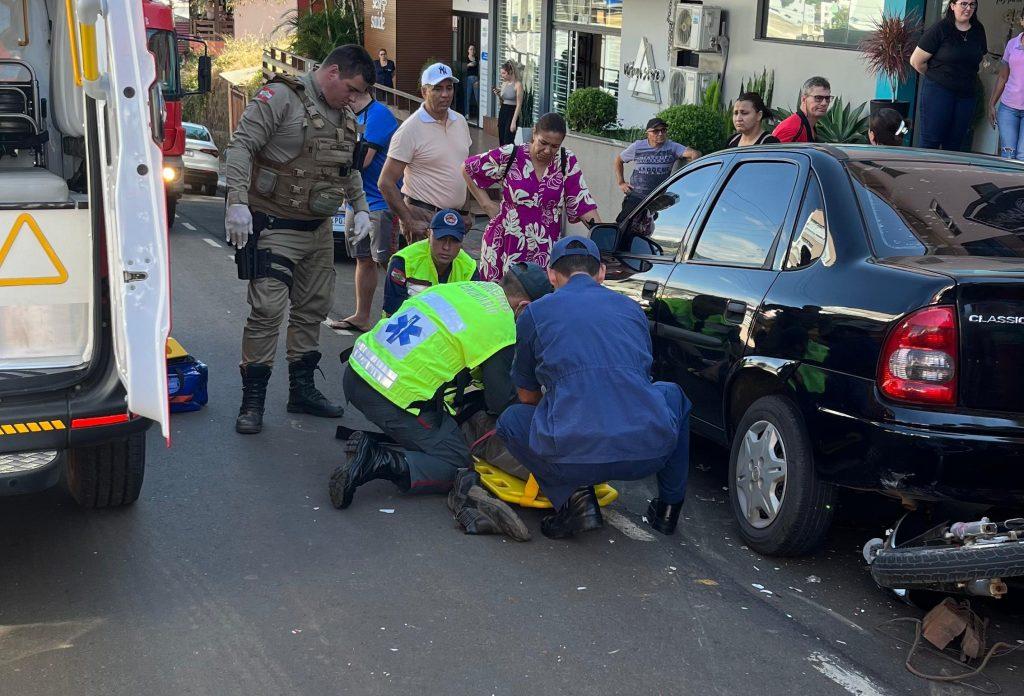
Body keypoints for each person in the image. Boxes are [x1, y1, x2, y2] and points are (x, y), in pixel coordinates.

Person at [329, 265, 555, 533]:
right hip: (390, 394)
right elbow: (500, 402)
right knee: (457, 463)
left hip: (359, 369)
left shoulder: (470, 289)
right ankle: (375, 460)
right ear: (525, 307)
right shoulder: (502, 326)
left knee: (445, 426)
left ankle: (395, 442)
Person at [496, 237, 692, 540]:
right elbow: (637, 380)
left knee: (511, 420)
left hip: (572, 457)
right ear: (601, 272)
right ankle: (669, 509)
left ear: (551, 275)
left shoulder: (535, 314)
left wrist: (566, 409)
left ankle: (576, 500)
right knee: (673, 394)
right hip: (647, 452)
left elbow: (526, 396)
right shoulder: (632, 309)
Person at [224, 44, 375, 435]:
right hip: (274, 226)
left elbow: (349, 168)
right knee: (267, 311)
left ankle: (302, 391)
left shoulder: (344, 116)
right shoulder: (281, 98)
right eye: (353, 89)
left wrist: (360, 209)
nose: (356, 99)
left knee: (312, 311)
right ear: (333, 73)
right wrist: (237, 202)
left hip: (318, 232)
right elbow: (241, 146)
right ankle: (252, 401)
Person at [464, 112, 601, 281]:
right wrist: (486, 204)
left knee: (540, 297)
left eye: (554, 146)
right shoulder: (511, 155)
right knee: (502, 299)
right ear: (534, 133)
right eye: (543, 143)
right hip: (505, 241)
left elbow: (582, 203)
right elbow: (468, 168)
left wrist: (604, 235)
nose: (548, 150)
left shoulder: (565, 161)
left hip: (544, 246)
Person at [326, 89, 400, 334]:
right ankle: (362, 316)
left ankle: (395, 320)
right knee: (363, 259)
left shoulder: (378, 115)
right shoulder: (350, 115)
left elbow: (362, 160)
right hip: (355, 202)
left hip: (380, 203)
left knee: (388, 263)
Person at [379, 62, 473, 245]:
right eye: (437, 89)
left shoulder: (460, 121)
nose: (445, 94)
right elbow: (385, 182)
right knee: (422, 274)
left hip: (453, 219)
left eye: (449, 88)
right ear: (424, 92)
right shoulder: (410, 129)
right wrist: (409, 220)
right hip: (424, 217)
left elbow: (465, 169)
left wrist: (466, 211)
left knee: (451, 274)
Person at [911, 1, 986, 151]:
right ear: (952, 5)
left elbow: (980, 57)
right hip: (938, 92)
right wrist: (937, 76)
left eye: (972, 4)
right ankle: (925, 174)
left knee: (955, 144)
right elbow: (916, 61)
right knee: (931, 140)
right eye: (963, 3)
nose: (968, 8)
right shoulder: (940, 29)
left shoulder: (978, 30)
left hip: (967, 95)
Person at [382, 209, 479, 316]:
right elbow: (392, 313)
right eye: (441, 238)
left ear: (462, 241)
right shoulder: (403, 262)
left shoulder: (469, 268)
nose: (446, 247)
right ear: (429, 234)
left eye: (454, 240)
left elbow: (473, 313)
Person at [614, 117, 699, 223]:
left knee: (646, 229)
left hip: (657, 199)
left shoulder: (672, 147)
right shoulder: (638, 146)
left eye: (663, 130)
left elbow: (695, 154)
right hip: (636, 195)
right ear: (648, 133)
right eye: (656, 131)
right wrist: (621, 182)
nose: (660, 133)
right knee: (623, 223)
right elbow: (618, 160)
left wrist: (693, 173)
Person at [990, 15, 1024, 160]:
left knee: (1023, 157)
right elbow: (1003, 77)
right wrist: (991, 104)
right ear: (1022, 20)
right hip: (1008, 109)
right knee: (1008, 155)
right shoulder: (1012, 44)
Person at [772, 76, 831, 143]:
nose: (824, 103)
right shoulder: (793, 129)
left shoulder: (809, 125)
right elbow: (773, 153)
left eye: (827, 98)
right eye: (818, 98)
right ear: (803, 99)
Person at [492, 61, 522, 146]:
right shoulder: (504, 83)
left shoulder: (518, 85)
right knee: (501, 139)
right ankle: (503, 158)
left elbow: (519, 104)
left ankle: (510, 158)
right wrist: (498, 94)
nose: (502, 75)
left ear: (510, 72)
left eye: (504, 73)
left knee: (508, 140)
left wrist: (513, 121)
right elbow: (503, 100)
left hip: (512, 112)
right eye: (501, 73)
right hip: (503, 110)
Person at [463, 44, 479, 117]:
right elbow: (463, 69)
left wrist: (478, 80)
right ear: (468, 51)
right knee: (468, 97)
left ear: (475, 51)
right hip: (468, 79)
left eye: (473, 49)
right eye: (470, 49)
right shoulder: (465, 58)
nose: (472, 50)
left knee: (477, 96)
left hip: (475, 79)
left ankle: (479, 114)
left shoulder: (476, 58)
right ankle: (467, 114)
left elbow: (479, 69)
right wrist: (468, 65)